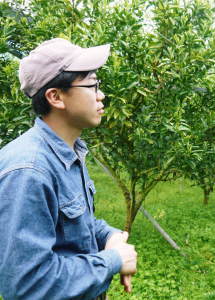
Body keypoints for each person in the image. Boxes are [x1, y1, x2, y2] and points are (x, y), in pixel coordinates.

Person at [0, 38, 137, 300]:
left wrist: (110, 237)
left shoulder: (69, 152)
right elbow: (26, 285)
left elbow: (74, 224)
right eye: (92, 84)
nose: (101, 94)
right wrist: (112, 260)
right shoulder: (29, 170)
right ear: (56, 96)